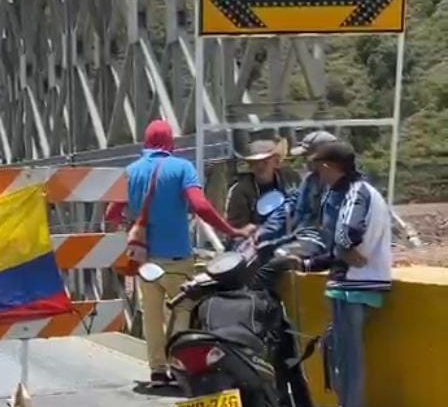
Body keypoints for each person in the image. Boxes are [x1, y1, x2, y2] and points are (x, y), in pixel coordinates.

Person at [106, 120, 254, 386]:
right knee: (181, 311)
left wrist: (133, 228)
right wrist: (231, 230)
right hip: (176, 256)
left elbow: (111, 214)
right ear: (170, 142)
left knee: (151, 315)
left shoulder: (131, 171)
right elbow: (201, 206)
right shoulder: (182, 168)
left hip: (145, 259)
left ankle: (157, 371)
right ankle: (179, 366)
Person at [291, 141, 392, 407]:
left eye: (316, 167)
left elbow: (348, 234)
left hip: (353, 284)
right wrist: (313, 264)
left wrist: (347, 251)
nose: (315, 174)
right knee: (341, 347)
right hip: (360, 281)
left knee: (349, 353)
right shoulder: (365, 190)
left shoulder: (354, 192)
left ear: (327, 167)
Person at [258, 130, 338, 245]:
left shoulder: (341, 186)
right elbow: (290, 206)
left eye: (308, 157)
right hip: (304, 238)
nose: (306, 162)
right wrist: (265, 230)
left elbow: (327, 227)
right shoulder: (310, 180)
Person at [225, 138, 302, 230]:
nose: (260, 167)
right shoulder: (240, 192)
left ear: (276, 162)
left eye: (265, 162)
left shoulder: (291, 178)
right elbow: (237, 227)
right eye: (255, 163)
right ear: (250, 165)